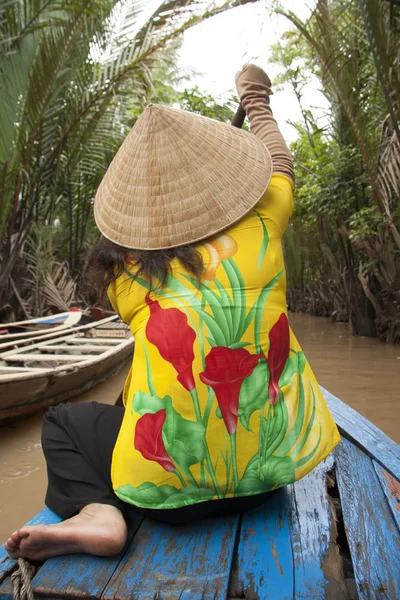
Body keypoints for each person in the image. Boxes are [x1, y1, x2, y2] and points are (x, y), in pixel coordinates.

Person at [5, 65, 340, 561]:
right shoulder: (265, 221)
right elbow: (280, 161)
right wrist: (254, 98)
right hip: (272, 479)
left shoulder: (126, 276)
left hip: (164, 503)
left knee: (61, 422)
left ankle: (100, 511)